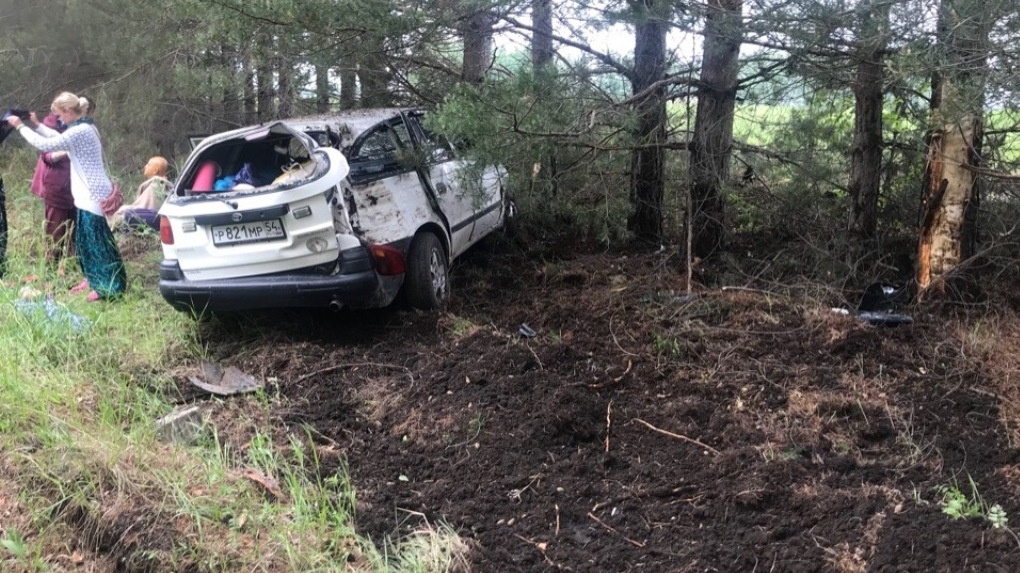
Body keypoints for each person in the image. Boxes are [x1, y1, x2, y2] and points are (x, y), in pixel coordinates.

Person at [4, 92, 127, 302]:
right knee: (84, 243)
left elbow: (47, 145)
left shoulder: (81, 131)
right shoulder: (82, 128)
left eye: (60, 115)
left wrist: (20, 126)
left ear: (69, 111)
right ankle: (93, 279)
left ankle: (111, 287)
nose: (59, 119)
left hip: (92, 196)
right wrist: (37, 125)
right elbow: (56, 137)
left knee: (97, 243)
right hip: (85, 196)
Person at [29, 114, 76, 266]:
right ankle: (51, 267)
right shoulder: (52, 122)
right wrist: (67, 150)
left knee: (73, 229)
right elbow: (48, 156)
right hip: (56, 189)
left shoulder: (77, 126)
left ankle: (70, 264)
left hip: (75, 191)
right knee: (55, 230)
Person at [110, 156, 171, 232]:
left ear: (155, 170)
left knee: (124, 213)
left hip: (152, 219)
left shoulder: (157, 185)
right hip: (152, 217)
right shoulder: (157, 184)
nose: (145, 166)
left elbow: (145, 207)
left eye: (148, 165)